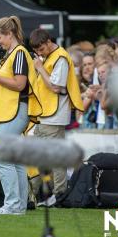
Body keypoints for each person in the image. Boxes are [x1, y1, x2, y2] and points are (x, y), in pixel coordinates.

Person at [0, 16, 42, 215]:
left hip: (14, 111)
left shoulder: (19, 53)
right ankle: (19, 205)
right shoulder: (13, 54)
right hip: (11, 111)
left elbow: (19, 85)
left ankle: (13, 205)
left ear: (10, 34)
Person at [29, 28, 84, 203]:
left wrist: (39, 67)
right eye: (37, 51)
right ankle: (46, 192)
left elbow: (55, 87)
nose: (39, 53)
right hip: (46, 113)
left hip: (54, 115)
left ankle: (59, 193)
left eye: (41, 49)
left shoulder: (60, 57)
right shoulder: (51, 56)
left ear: (48, 42)